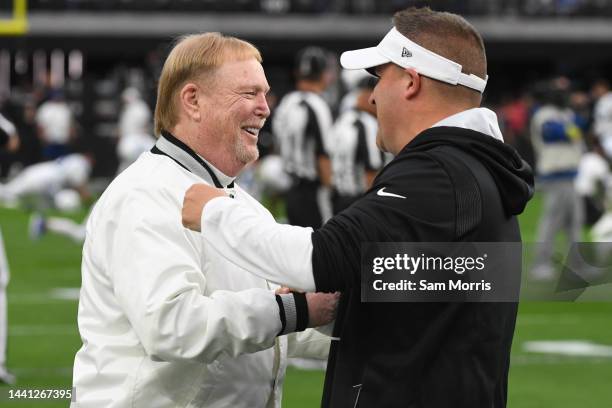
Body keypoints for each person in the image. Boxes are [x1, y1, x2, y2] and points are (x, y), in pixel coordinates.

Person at [182, 7, 534, 408]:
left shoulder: (438, 173)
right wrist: (337, 307)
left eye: (379, 77)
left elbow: (323, 258)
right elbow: (443, 287)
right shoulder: (475, 171)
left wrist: (213, 211)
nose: (371, 95)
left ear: (411, 82)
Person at [71, 33, 336, 408]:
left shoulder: (239, 202)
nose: (264, 108)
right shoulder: (144, 194)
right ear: (193, 100)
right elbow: (172, 326)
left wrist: (340, 323)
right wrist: (298, 310)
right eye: (248, 93)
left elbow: (271, 329)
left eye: (265, 94)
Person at [273, 46, 334, 228]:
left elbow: (277, 145)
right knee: (321, 245)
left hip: (291, 188)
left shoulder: (286, 103)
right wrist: (330, 189)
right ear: (324, 75)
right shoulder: (317, 105)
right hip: (313, 192)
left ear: (297, 73)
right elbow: (323, 155)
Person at [530, 77, 584, 280]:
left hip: (570, 176)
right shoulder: (544, 114)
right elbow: (556, 133)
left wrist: (575, 123)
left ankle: (577, 264)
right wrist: (574, 126)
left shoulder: (566, 113)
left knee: (574, 222)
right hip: (555, 175)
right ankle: (540, 265)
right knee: (552, 221)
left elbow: (580, 126)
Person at [329, 77, 382, 213]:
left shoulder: (342, 119)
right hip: (357, 201)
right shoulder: (367, 124)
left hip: (336, 197)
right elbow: (371, 171)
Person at [0, 153, 92, 209]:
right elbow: (79, 184)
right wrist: (89, 201)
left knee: (13, 192)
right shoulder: (81, 162)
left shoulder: (75, 158)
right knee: (10, 192)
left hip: (42, 173)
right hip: (44, 179)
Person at [35, 88, 74, 159]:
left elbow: (70, 125)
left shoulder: (65, 107)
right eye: (56, 95)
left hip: (63, 142)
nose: (57, 97)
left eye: (59, 95)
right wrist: (42, 139)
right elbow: (40, 126)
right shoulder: (45, 108)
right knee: (49, 163)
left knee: (63, 164)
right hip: (49, 142)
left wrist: (70, 139)